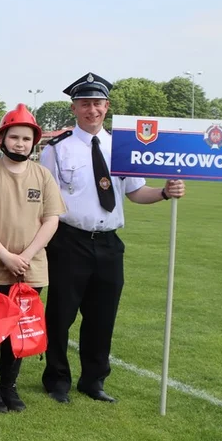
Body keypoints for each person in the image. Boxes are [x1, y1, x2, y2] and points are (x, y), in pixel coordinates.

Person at [40, 73, 185, 404]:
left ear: (107, 107)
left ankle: (93, 381)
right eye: (85, 104)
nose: (92, 110)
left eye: (98, 103)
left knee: (102, 316)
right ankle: (57, 380)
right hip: (68, 241)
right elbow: (44, 198)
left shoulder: (123, 147)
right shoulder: (57, 149)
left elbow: (135, 193)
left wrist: (164, 192)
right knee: (60, 315)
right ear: (75, 108)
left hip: (108, 243)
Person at [0, 105, 64, 413]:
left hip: (30, 270)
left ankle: (9, 385)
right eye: (14, 137)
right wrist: (6, 256)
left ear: (34, 142)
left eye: (26, 138)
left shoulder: (43, 176)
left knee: (20, 331)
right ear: (2, 139)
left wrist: (26, 256)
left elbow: (51, 220)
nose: (20, 143)